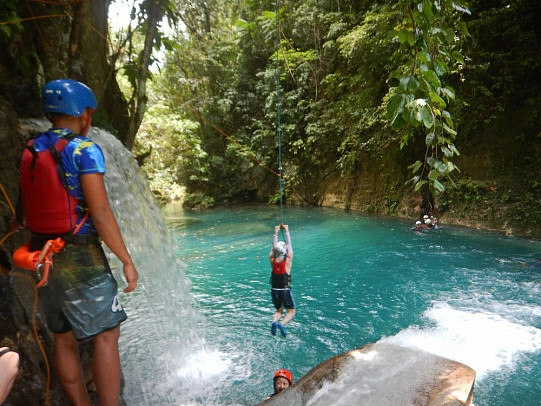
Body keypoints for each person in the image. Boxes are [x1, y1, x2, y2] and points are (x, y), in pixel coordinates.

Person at [15, 79, 138, 406]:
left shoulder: (30, 149)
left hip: (42, 256)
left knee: (63, 338)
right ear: (85, 114)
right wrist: (126, 259)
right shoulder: (83, 149)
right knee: (107, 335)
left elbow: (23, 213)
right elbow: (100, 212)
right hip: (79, 256)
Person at [269, 224, 294, 337]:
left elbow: (273, 249)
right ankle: (282, 324)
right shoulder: (287, 261)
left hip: (274, 290)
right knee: (291, 311)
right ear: (285, 250)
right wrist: (287, 231)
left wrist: (276, 232)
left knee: (279, 310)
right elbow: (289, 245)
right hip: (285, 290)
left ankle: (274, 321)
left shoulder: (272, 260)